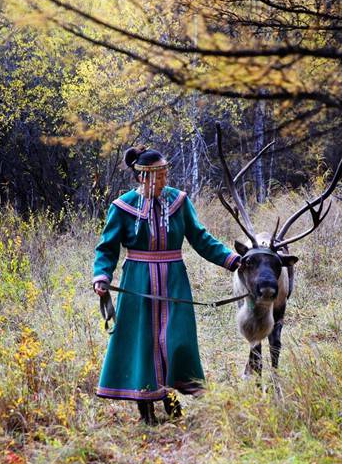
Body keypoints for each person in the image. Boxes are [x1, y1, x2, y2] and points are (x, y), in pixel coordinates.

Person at [92, 145, 241, 425]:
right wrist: (102, 276)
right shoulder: (122, 207)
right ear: (141, 178)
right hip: (138, 280)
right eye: (157, 176)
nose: (163, 181)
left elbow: (201, 238)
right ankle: (146, 409)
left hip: (174, 280)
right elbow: (107, 249)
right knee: (143, 343)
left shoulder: (179, 202)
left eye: (165, 174)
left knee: (176, 340)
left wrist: (231, 260)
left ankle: (172, 398)